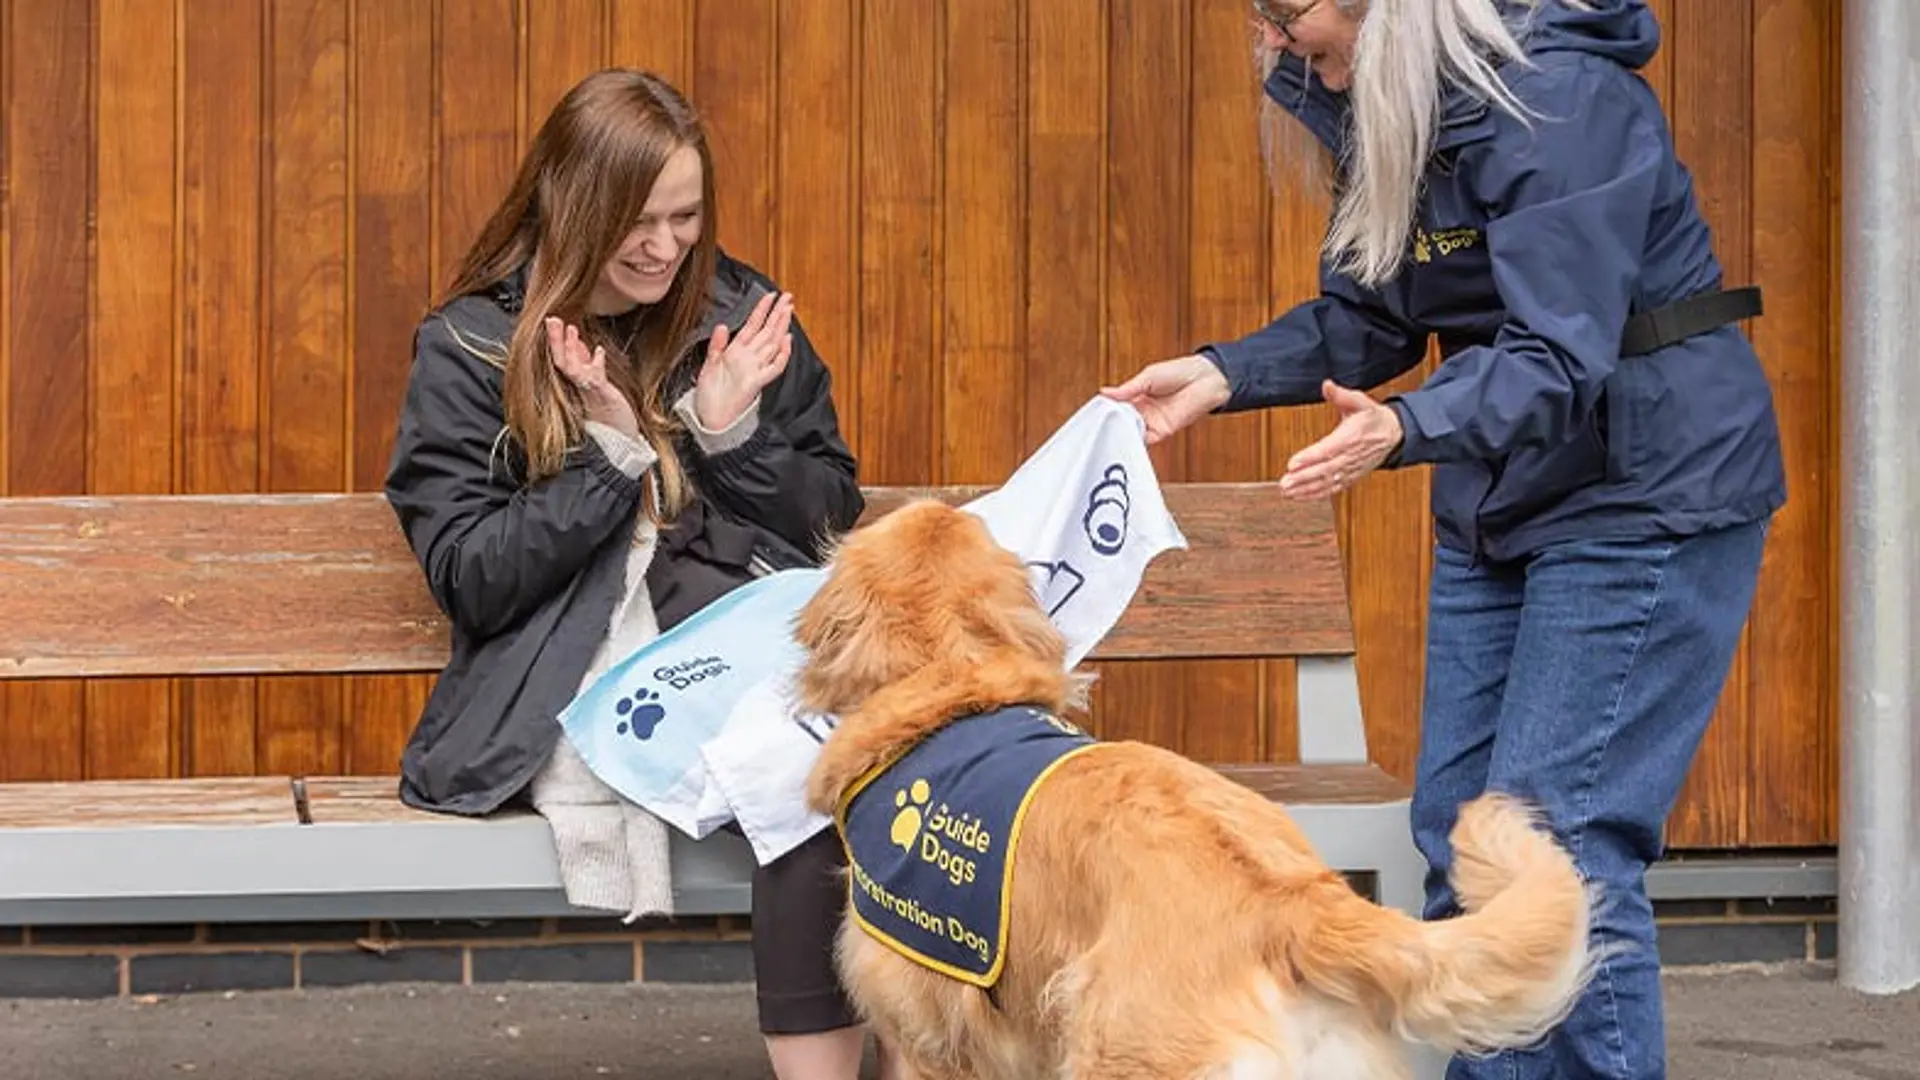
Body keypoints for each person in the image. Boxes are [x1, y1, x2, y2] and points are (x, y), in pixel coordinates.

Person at [1103, 2, 1784, 1078]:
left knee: (1554, 846)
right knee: (1457, 829)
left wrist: (1411, 425)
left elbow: (1563, 350)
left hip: (1645, 483)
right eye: (1260, 14)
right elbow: (1373, 318)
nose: (1274, 36)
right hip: (1502, 488)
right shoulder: (1386, 99)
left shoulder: (1555, 96)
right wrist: (1223, 372)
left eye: (1289, 11)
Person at [383, 68, 890, 1080]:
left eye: (687, 216)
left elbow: (833, 513)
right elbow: (474, 578)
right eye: (638, 221)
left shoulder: (739, 316)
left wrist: (729, 430)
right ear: (574, 206)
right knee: (814, 783)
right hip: (585, 673)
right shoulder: (472, 346)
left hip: (748, 643)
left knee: (908, 762)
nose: (667, 247)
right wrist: (612, 462)